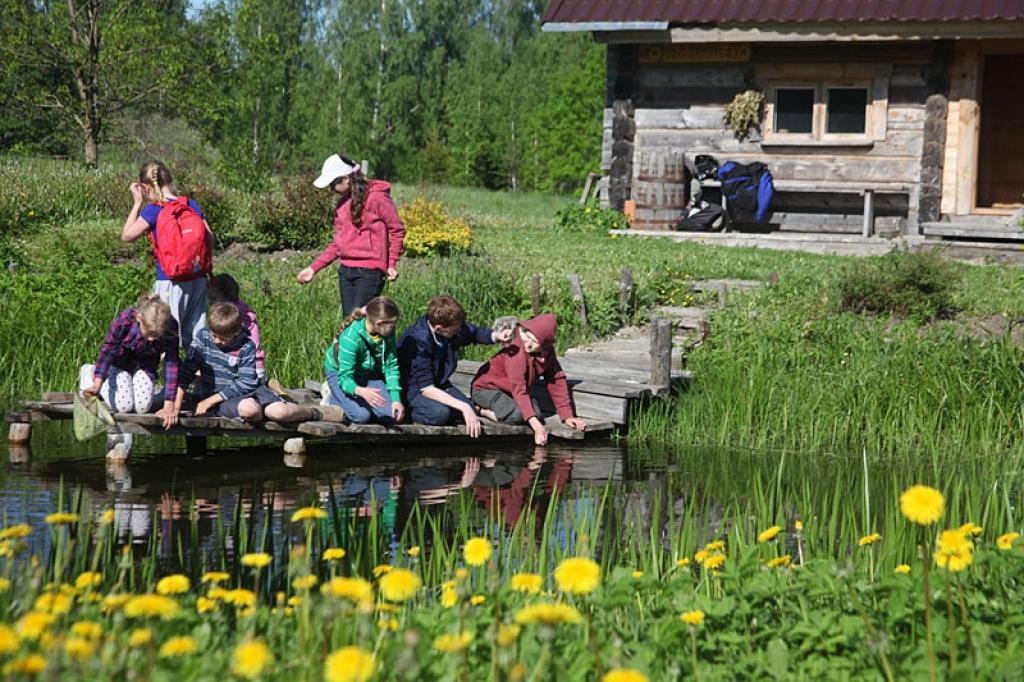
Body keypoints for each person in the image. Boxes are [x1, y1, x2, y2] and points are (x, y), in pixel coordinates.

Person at [170, 303, 339, 424]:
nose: (217, 341)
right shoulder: (203, 337)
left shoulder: (246, 345)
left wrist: (210, 401)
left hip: (246, 391)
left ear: (236, 332)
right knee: (249, 409)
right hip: (225, 400)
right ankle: (263, 411)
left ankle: (312, 412)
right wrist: (175, 406)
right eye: (214, 335)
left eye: (222, 338)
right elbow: (186, 371)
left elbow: (246, 382)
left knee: (279, 412)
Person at [296, 154, 406, 316]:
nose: (331, 189)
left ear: (346, 179)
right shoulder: (342, 205)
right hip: (346, 271)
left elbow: (397, 230)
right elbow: (338, 244)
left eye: (333, 183)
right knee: (349, 323)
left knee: (357, 323)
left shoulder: (377, 198)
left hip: (370, 273)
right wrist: (314, 268)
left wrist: (391, 263)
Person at [121, 160, 213, 349]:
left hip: (170, 280)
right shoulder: (191, 205)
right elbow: (210, 239)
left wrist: (137, 203)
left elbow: (127, 235)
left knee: (165, 335)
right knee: (197, 338)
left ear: (145, 187)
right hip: (198, 278)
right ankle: (195, 375)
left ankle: (169, 376)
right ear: (169, 179)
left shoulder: (154, 210)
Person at [397, 296, 512, 437]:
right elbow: (426, 388)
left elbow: (474, 333)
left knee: (467, 408)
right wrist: (463, 407)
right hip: (413, 388)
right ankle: (411, 411)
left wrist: (497, 336)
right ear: (438, 329)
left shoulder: (453, 326)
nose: (459, 331)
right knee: (439, 414)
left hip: (439, 382)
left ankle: (470, 408)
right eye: (455, 330)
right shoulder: (419, 341)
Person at [471, 313, 587, 446]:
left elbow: (556, 380)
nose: (528, 342)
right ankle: (481, 410)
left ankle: (503, 410)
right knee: (518, 415)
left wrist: (567, 416)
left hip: (510, 391)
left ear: (545, 344)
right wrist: (537, 428)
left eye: (534, 341)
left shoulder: (547, 352)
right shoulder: (517, 353)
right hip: (486, 389)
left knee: (536, 414)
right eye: (527, 335)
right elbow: (519, 389)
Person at [79, 293, 181, 428]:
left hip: (146, 364)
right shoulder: (124, 321)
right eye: (149, 334)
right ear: (139, 318)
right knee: (124, 406)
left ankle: (131, 385)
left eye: (157, 336)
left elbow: (171, 363)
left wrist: (169, 404)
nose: (151, 339)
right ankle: (90, 372)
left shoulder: (170, 325)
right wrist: (97, 383)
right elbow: (108, 351)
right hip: (120, 362)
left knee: (142, 407)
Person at [323, 296, 404, 425]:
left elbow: (390, 366)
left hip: (366, 371)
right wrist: (361, 392)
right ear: (379, 323)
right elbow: (345, 378)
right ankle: (332, 395)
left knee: (391, 415)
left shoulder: (388, 333)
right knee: (361, 416)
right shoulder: (351, 339)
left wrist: (396, 399)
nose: (395, 327)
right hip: (340, 374)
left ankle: (354, 399)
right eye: (392, 324)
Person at [207, 273, 266, 383]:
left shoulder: (233, 318)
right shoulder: (242, 310)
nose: (210, 302)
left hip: (249, 368)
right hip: (256, 365)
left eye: (213, 298)